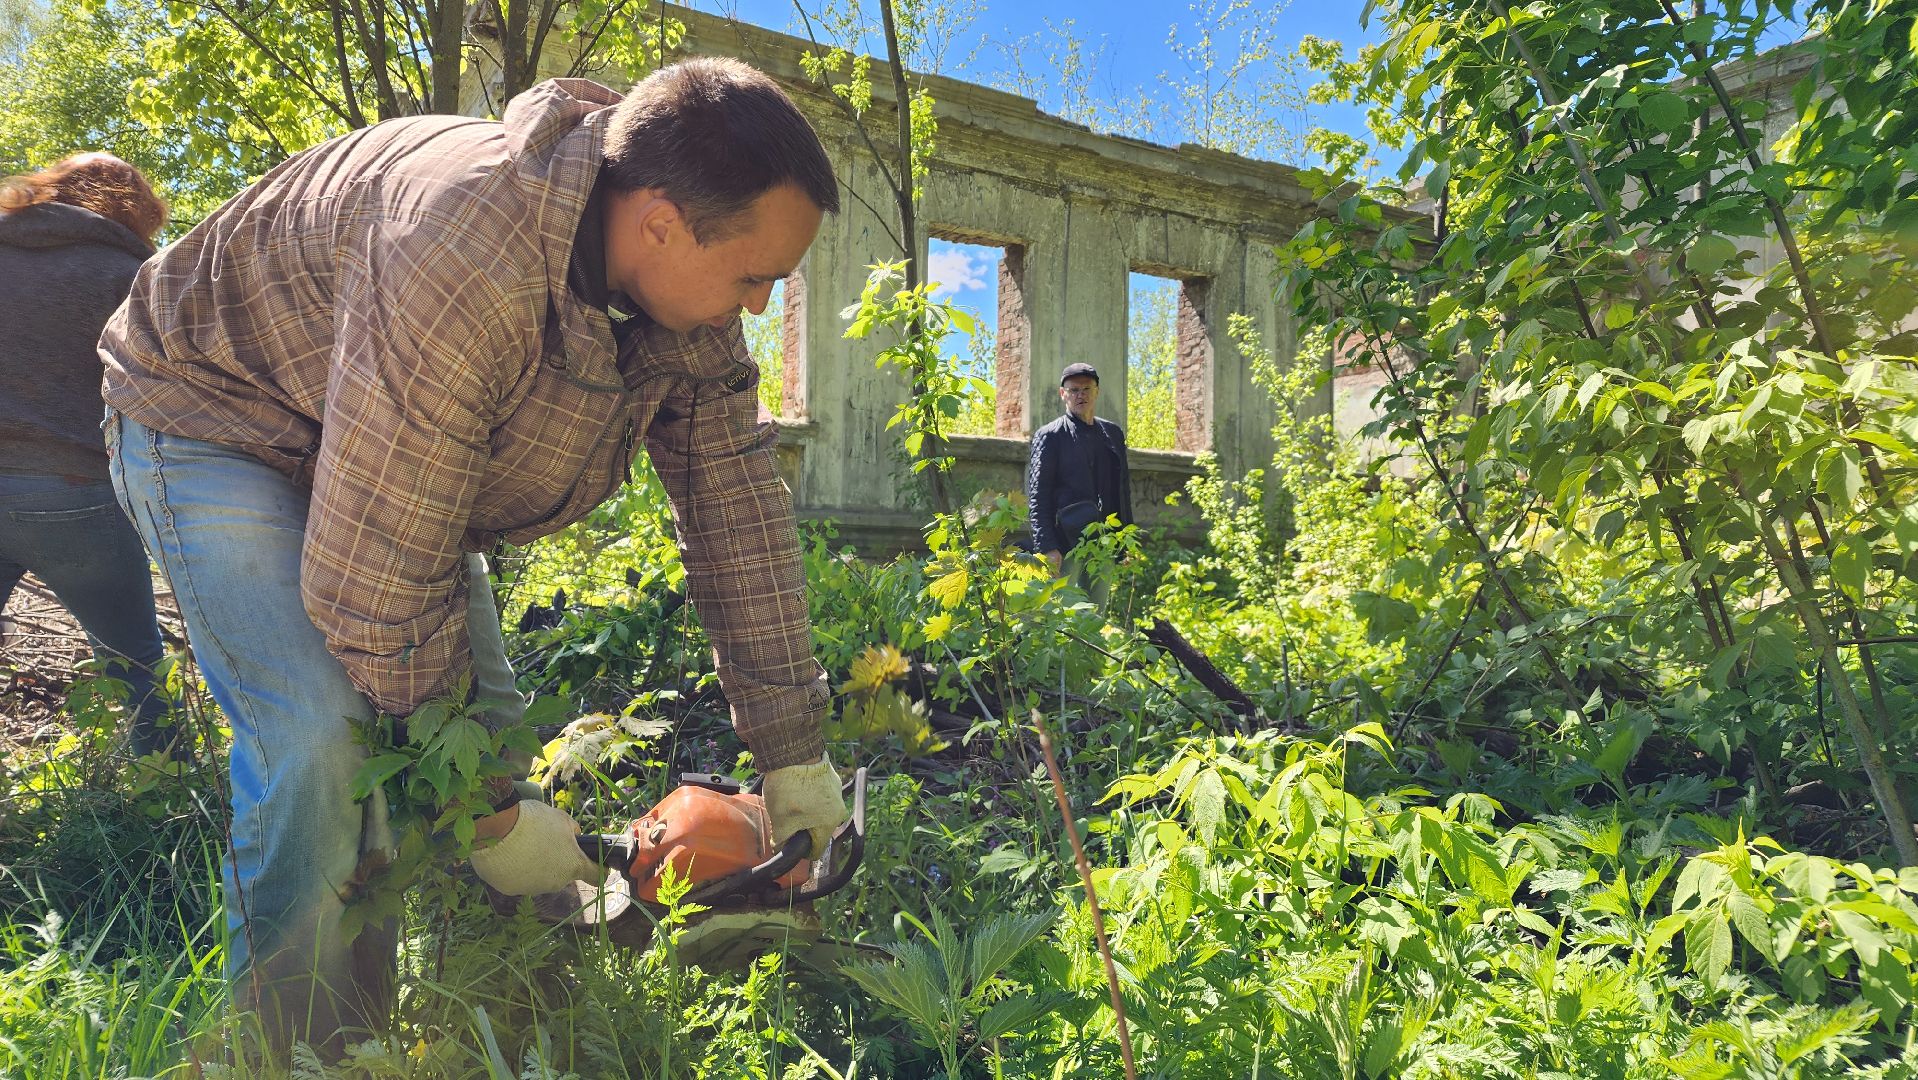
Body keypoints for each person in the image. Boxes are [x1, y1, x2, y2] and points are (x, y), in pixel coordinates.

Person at [99, 58, 851, 1056]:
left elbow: (736, 514)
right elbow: (373, 587)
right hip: (214, 420)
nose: (758, 308)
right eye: (755, 277)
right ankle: (299, 1056)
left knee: (478, 729)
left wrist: (793, 748)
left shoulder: (681, 303)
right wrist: (488, 815)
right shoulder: (461, 247)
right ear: (660, 221)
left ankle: (508, 1015)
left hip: (372, 449)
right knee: (328, 740)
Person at [0, 152, 180, 758]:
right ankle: (171, 797)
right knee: (137, 667)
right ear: (140, 211)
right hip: (80, 495)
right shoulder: (136, 276)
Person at [1026, 362, 1133, 586]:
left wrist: (1125, 543)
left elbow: (1121, 490)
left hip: (1104, 543)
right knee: (1064, 613)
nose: (1080, 395)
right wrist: (1047, 547)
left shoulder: (1112, 434)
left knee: (1096, 616)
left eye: (1086, 389)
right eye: (1074, 390)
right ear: (1063, 394)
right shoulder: (1050, 436)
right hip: (1065, 544)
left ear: (1097, 392)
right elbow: (1038, 496)